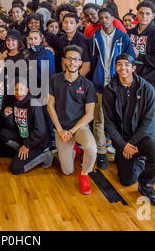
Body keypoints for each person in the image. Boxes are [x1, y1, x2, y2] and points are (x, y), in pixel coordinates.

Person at [103, 53, 155, 207]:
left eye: (126, 64)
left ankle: (146, 184)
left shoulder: (147, 88)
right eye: (119, 64)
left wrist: (132, 143)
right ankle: (135, 158)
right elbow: (109, 123)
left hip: (144, 136)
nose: (123, 67)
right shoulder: (109, 90)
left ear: (133, 68)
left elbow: (149, 121)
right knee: (126, 181)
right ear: (115, 68)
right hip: (123, 140)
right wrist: (123, 146)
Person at [89, 7, 136, 169]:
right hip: (100, 85)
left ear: (113, 18)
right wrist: (96, 77)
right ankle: (101, 153)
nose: (103, 20)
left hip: (119, 85)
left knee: (120, 120)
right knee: (99, 120)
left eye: (106, 17)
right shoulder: (95, 37)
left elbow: (131, 58)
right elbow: (93, 61)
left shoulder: (123, 37)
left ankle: (119, 151)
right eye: (100, 18)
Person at [47, 45, 98, 195]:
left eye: (76, 59)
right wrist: (61, 130)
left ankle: (84, 174)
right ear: (64, 61)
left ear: (80, 62)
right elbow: (50, 105)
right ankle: (73, 148)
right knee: (67, 171)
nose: (72, 62)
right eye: (69, 58)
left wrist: (72, 131)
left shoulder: (87, 85)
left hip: (79, 127)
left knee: (91, 148)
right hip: (61, 128)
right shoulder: (55, 79)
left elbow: (89, 115)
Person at [129, 1, 155, 144]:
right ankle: (138, 146)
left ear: (153, 15)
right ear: (137, 14)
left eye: (147, 13)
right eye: (141, 13)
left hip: (153, 83)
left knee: (152, 115)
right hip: (133, 80)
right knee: (134, 114)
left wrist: (140, 56)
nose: (144, 16)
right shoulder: (131, 33)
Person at [0, 79, 53, 175]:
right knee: (3, 133)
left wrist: (27, 145)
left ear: (27, 90)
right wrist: (7, 116)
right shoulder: (15, 102)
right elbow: (12, 127)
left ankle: (45, 155)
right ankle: (23, 153)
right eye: (16, 90)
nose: (19, 92)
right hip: (24, 136)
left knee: (15, 169)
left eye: (21, 89)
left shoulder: (34, 104)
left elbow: (41, 130)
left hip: (38, 142)